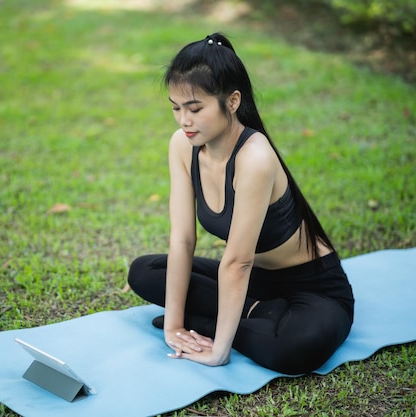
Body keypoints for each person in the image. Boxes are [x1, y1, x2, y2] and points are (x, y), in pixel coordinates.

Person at [127, 33, 354, 375]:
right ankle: (258, 312)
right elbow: (183, 240)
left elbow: (237, 263)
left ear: (232, 101)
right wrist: (173, 325)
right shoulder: (182, 145)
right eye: (176, 108)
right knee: (144, 272)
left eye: (195, 108)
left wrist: (219, 351)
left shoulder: (255, 157)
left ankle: (220, 323)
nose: (183, 121)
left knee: (293, 350)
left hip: (312, 288)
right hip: (257, 284)